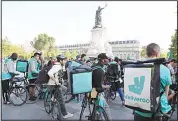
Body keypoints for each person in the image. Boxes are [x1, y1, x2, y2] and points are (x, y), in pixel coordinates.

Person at [134, 43, 172, 121]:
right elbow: (166, 92)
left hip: (139, 110)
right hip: (156, 112)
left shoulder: (137, 66)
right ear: (156, 53)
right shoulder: (164, 70)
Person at [47, 55, 73, 119]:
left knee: (60, 94)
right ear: (60, 60)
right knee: (61, 100)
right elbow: (49, 73)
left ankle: (53, 102)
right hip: (54, 85)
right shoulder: (57, 66)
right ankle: (65, 114)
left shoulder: (60, 66)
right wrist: (55, 80)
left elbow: (60, 75)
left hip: (54, 85)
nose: (65, 61)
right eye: (64, 60)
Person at [91, 53, 112, 120]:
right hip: (96, 91)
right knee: (105, 107)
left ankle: (95, 116)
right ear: (103, 60)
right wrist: (106, 87)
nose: (108, 60)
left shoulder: (94, 66)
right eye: (107, 59)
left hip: (92, 91)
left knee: (96, 107)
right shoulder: (100, 70)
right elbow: (99, 86)